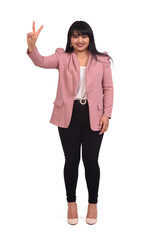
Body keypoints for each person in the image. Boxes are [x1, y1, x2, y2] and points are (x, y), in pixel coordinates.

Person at [26, 20, 114, 225]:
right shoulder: (62, 57)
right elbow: (41, 61)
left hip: (94, 115)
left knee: (91, 161)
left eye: (83, 35)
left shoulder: (102, 59)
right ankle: (71, 203)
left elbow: (108, 88)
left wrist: (107, 115)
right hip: (68, 115)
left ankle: (93, 203)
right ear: (70, 39)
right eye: (75, 36)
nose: (80, 40)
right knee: (71, 161)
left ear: (90, 37)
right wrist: (32, 47)